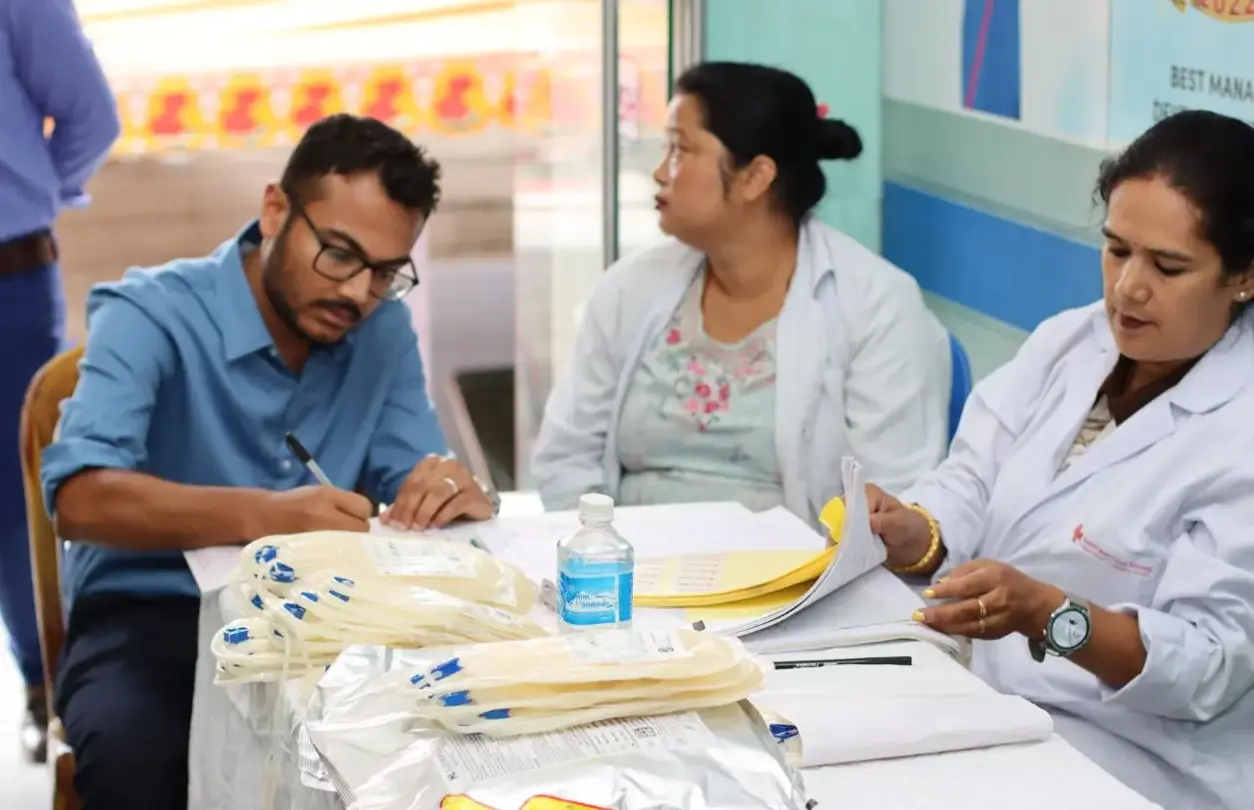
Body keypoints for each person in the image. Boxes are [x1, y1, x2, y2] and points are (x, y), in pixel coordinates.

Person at [41, 114, 497, 809]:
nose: (357, 293)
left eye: (384, 273)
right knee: (138, 761)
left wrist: (445, 489)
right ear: (275, 210)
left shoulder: (382, 329)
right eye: (339, 254)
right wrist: (267, 516)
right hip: (153, 615)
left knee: (434, 749)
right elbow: (80, 498)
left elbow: (413, 471)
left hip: (327, 617)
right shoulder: (150, 313)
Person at [868, 110, 1254, 810]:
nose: (1128, 287)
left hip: (1138, 758)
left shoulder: (1240, 427)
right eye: (1116, 250)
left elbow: (1206, 666)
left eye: (1167, 266)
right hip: (988, 701)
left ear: (1244, 276)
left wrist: (1047, 613)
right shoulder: (1070, 342)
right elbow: (973, 477)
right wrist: (915, 530)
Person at [531, 62, 950, 524]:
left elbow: (893, 500)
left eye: (680, 150)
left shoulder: (877, 306)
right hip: (627, 561)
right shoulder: (629, 288)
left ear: (755, 177)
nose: (659, 172)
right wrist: (600, 551)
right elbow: (566, 457)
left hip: (797, 567)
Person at [0, 0, 120, 762]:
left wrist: (34, 190)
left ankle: (50, 686)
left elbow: (90, 118)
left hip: (8, 279)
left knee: (24, 497)